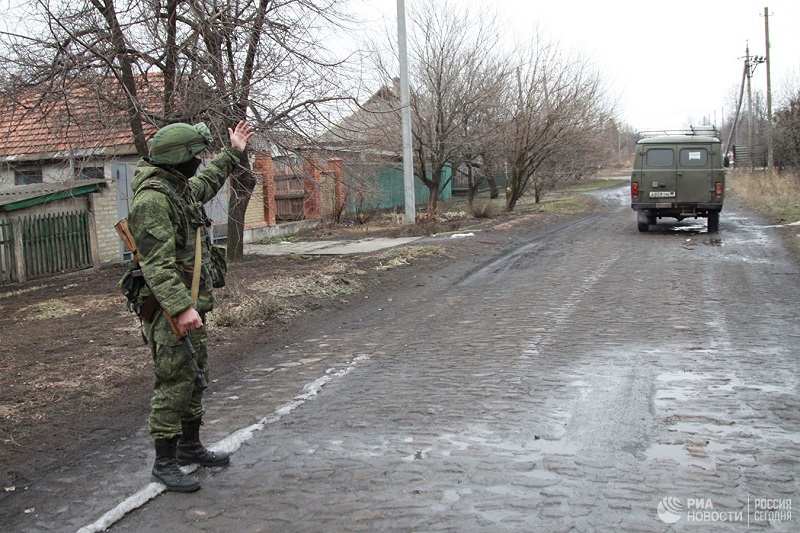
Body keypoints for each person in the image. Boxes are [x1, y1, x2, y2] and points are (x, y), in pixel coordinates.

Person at [127, 120, 254, 492]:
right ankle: (163, 463)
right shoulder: (152, 200)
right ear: (177, 159)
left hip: (188, 303)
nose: (199, 161)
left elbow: (202, 185)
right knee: (174, 380)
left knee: (195, 374)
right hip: (168, 309)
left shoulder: (175, 188)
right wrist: (182, 308)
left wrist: (233, 152)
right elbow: (157, 266)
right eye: (195, 155)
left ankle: (188, 447)